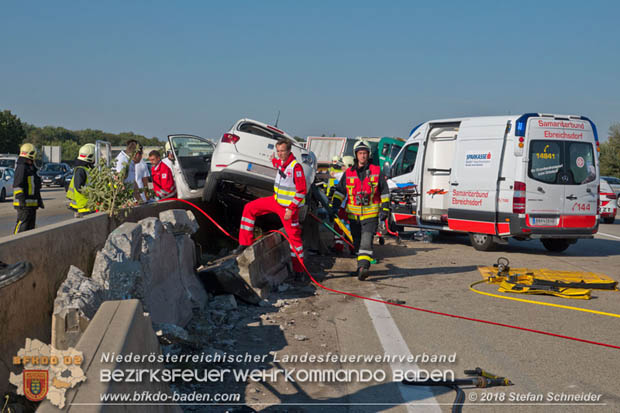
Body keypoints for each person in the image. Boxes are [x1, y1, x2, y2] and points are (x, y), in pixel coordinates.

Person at [232, 138, 307, 277]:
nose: (280, 154)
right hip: (276, 201)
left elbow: (302, 191)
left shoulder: (296, 167)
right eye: (278, 151)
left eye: (282, 151)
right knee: (249, 208)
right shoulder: (282, 162)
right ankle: (244, 243)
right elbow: (277, 163)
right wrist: (273, 159)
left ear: (289, 151)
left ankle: (299, 271)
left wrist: (290, 209)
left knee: (294, 240)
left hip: (288, 208)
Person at [330, 139, 390, 280]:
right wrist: (334, 207)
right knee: (357, 244)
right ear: (356, 155)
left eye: (365, 153)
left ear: (368, 155)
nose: (363, 156)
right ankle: (360, 267)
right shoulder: (349, 173)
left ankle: (363, 268)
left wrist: (385, 208)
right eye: (360, 153)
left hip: (370, 216)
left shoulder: (376, 171)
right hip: (353, 217)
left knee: (366, 242)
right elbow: (340, 192)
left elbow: (385, 191)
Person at [12, 143, 43, 233]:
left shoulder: (31, 168)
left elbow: (34, 186)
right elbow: (17, 186)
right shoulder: (22, 167)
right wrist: (22, 203)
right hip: (24, 205)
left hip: (31, 205)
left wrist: (39, 201)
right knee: (22, 225)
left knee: (30, 229)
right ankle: (15, 243)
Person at [66, 143, 96, 216]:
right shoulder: (81, 170)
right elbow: (79, 187)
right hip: (85, 207)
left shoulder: (86, 168)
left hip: (88, 206)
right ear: (91, 156)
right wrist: (95, 192)